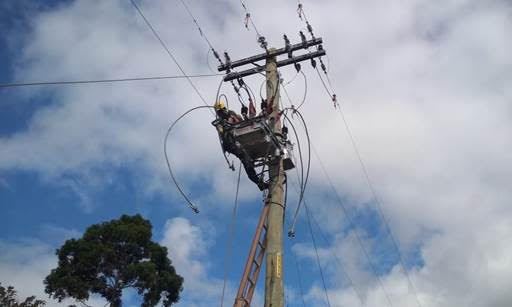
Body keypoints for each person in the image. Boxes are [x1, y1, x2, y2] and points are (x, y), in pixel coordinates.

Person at [214, 101, 269, 191]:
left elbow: (242, 123)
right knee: (245, 160)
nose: (221, 113)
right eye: (219, 112)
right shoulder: (220, 122)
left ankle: (258, 180)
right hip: (231, 143)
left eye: (222, 110)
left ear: (225, 109)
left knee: (247, 157)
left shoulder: (232, 114)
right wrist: (224, 127)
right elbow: (221, 131)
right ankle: (258, 182)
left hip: (241, 140)